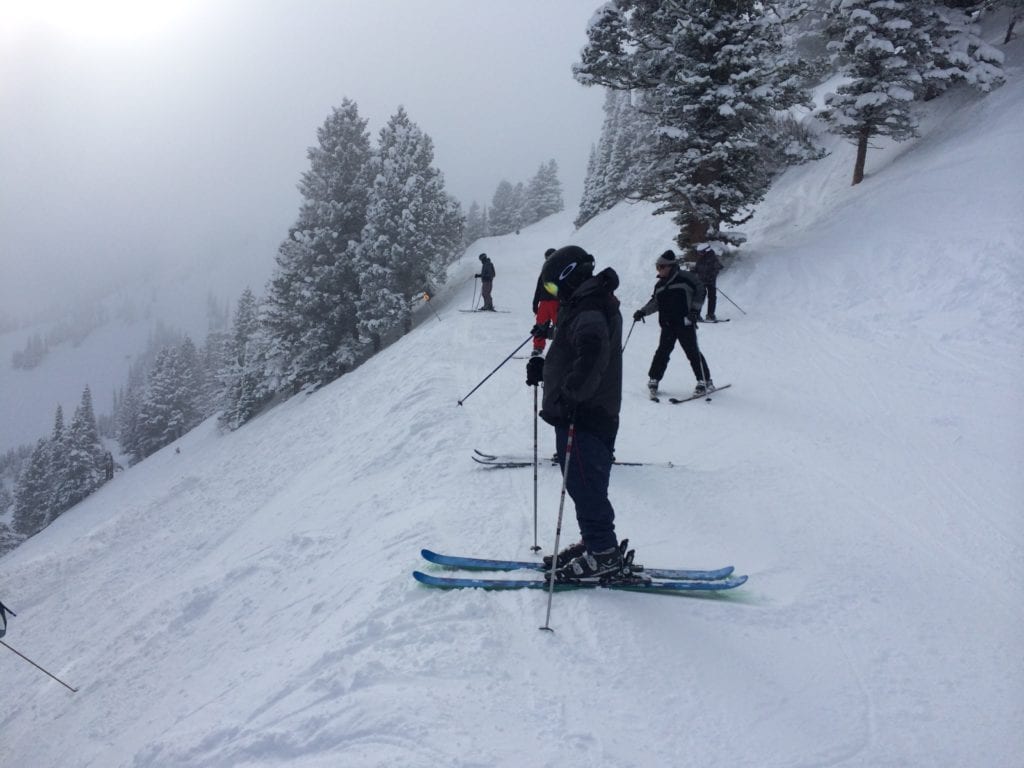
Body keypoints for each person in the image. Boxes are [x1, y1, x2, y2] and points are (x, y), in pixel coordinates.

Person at [525, 245, 626, 580]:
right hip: (588, 410)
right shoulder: (587, 303)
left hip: (586, 413)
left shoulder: (589, 308)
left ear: (569, 278)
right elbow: (572, 350)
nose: (553, 293)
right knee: (584, 483)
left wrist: (570, 397)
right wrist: (545, 369)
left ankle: (604, 554)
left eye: (553, 287)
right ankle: (595, 541)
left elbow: (592, 353)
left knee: (585, 485)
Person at [633, 249, 714, 397]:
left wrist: (695, 310)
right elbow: (655, 302)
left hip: (685, 322)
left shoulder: (685, 278)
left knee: (692, 352)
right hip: (667, 324)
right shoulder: (659, 285)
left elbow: (701, 290)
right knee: (662, 352)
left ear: (670, 266)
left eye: (661, 267)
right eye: (657, 267)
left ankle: (705, 380)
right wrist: (642, 312)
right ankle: (654, 378)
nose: (659, 270)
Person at [530, 248, 559, 356]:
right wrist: (535, 303)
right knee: (540, 324)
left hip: (556, 302)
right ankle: (538, 347)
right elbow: (539, 288)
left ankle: (561, 347)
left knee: (560, 324)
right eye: (547, 258)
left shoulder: (561, 269)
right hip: (544, 302)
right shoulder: (545, 271)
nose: (548, 260)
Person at [693, 244, 723, 321]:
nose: (699, 254)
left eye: (701, 252)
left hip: (711, 281)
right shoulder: (700, 259)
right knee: (700, 297)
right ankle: (696, 315)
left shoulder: (713, 258)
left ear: (706, 251)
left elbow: (717, 269)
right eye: (699, 252)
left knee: (712, 297)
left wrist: (711, 277)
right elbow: (697, 269)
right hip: (701, 282)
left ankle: (710, 315)